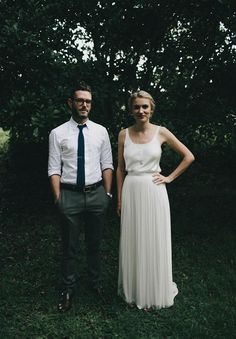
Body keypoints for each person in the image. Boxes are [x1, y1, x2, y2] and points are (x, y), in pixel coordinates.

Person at [116, 90, 194, 310]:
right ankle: (135, 290)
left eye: (145, 107)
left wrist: (169, 177)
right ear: (131, 110)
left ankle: (152, 292)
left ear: (151, 109)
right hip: (131, 190)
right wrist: (119, 199)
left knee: (153, 238)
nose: (141, 111)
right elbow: (120, 169)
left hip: (154, 191)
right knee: (134, 239)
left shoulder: (162, 132)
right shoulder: (123, 134)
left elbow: (188, 156)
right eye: (136, 107)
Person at [48, 81, 113, 312]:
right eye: (80, 100)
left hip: (96, 195)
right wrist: (59, 199)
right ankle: (67, 289)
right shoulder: (57, 133)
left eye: (88, 101)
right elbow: (54, 168)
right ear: (71, 103)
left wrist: (106, 194)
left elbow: (107, 164)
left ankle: (95, 284)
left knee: (95, 244)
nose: (84, 104)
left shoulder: (101, 131)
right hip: (69, 197)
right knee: (69, 247)